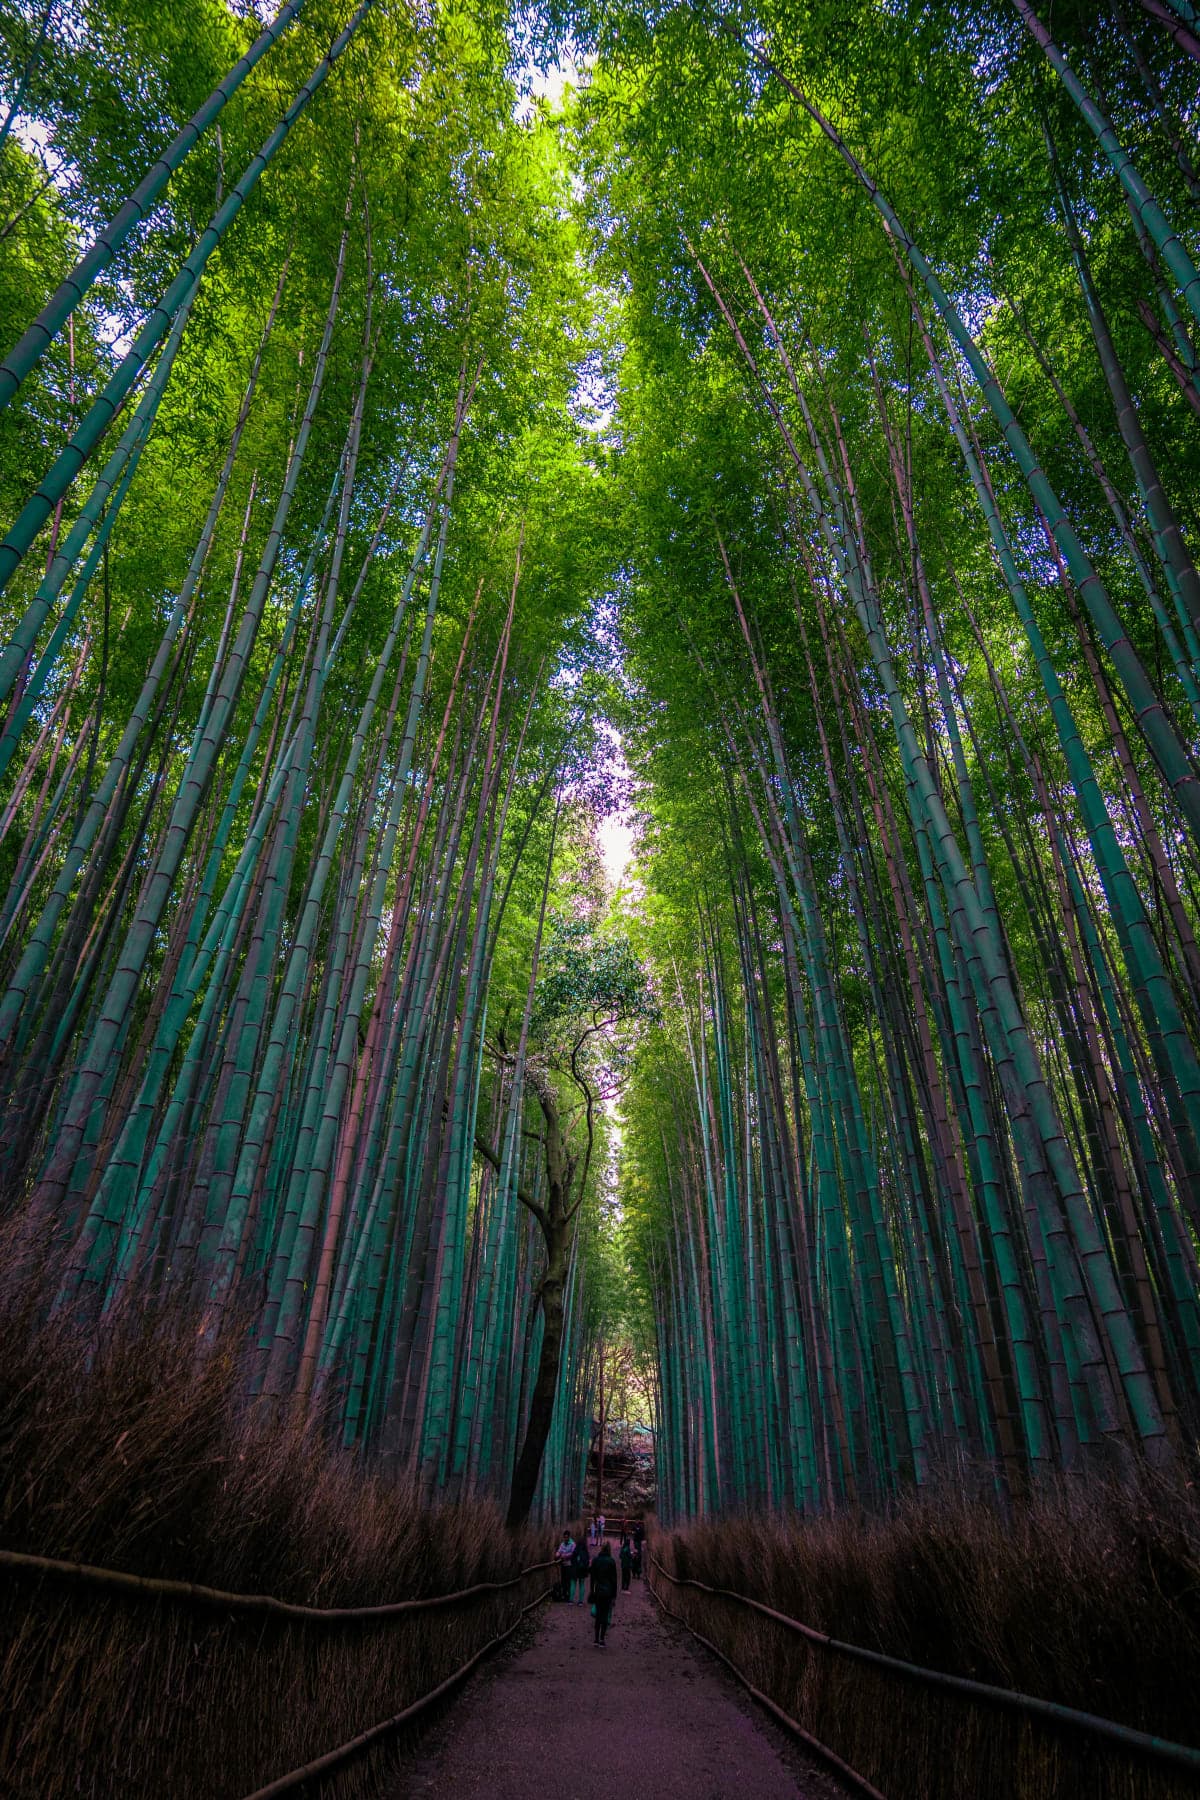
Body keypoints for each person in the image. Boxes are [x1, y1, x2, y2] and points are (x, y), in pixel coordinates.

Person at [589, 1539, 618, 1646]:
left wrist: (592, 1590)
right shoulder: (611, 1561)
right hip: (608, 1592)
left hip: (598, 1591)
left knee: (598, 1615)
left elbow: (592, 1577)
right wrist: (614, 1596)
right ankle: (602, 1639)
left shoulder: (596, 1560)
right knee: (605, 1615)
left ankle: (596, 1638)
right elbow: (614, 1580)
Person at [554, 1529, 576, 1602]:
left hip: (569, 1565)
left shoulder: (572, 1544)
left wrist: (566, 1556)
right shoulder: (562, 1544)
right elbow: (559, 1551)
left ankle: (568, 1595)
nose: (565, 1539)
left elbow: (573, 1553)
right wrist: (557, 1554)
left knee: (568, 1580)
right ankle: (564, 1594)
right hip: (563, 1565)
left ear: (569, 1537)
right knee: (563, 1580)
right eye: (564, 1537)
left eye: (567, 1537)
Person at [569, 1532, 590, 1605]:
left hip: (575, 1568)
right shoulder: (585, 1552)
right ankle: (580, 1601)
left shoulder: (575, 1550)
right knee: (582, 1584)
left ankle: (571, 1600)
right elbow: (587, 1561)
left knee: (573, 1583)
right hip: (582, 1569)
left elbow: (572, 1559)